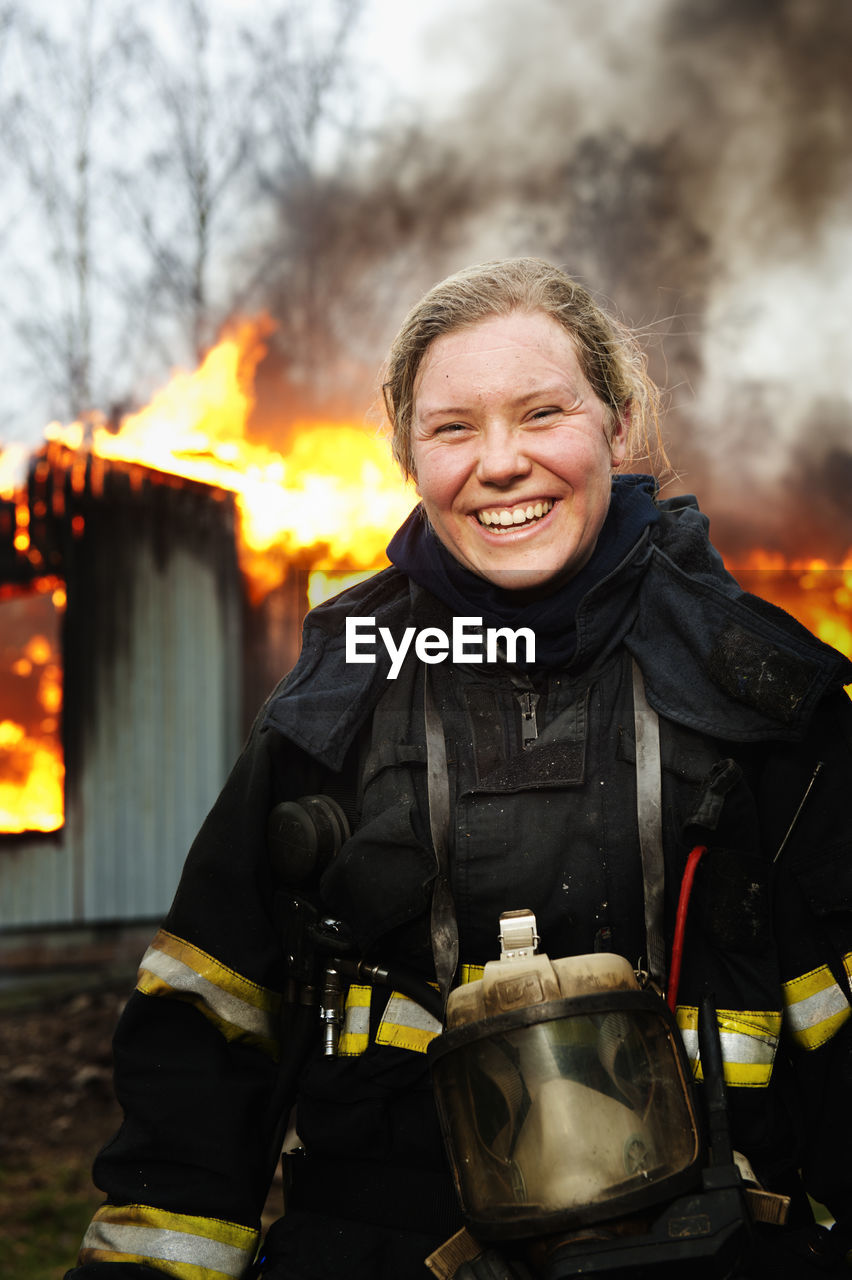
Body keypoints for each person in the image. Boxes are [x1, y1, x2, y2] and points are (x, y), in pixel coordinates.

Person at [66, 259, 852, 1280]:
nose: (501, 462)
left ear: (617, 423)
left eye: (541, 414)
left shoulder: (759, 699)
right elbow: (201, 1054)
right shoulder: (331, 709)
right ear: (407, 453)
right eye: (452, 428)